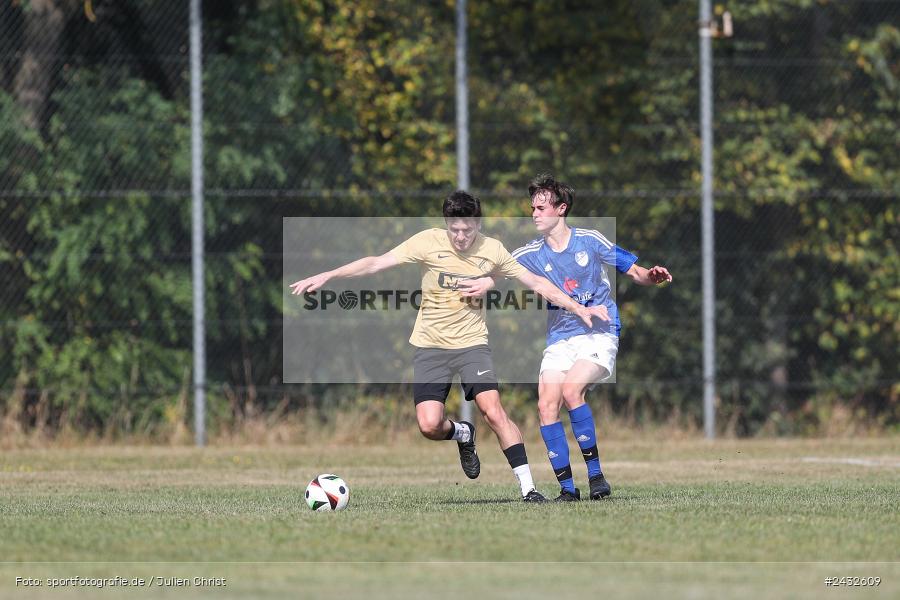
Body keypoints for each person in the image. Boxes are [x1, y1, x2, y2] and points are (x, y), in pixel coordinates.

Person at [289, 190, 607, 502]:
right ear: (445, 224)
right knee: (429, 425)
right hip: (430, 347)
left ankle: (529, 489)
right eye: (454, 229)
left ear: (478, 225)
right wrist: (329, 275)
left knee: (493, 412)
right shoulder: (427, 241)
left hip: (472, 346)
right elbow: (375, 263)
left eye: (467, 229)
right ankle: (462, 434)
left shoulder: (492, 249)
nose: (460, 236)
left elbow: (536, 283)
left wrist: (580, 308)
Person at [511, 174, 672, 501]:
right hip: (560, 337)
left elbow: (634, 271)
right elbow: (496, 269)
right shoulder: (530, 253)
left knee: (572, 391)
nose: (534, 214)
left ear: (562, 209)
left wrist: (650, 277)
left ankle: (597, 477)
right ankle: (568, 491)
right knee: (545, 406)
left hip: (599, 331)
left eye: (541, 207)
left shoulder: (590, 240)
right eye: (532, 208)